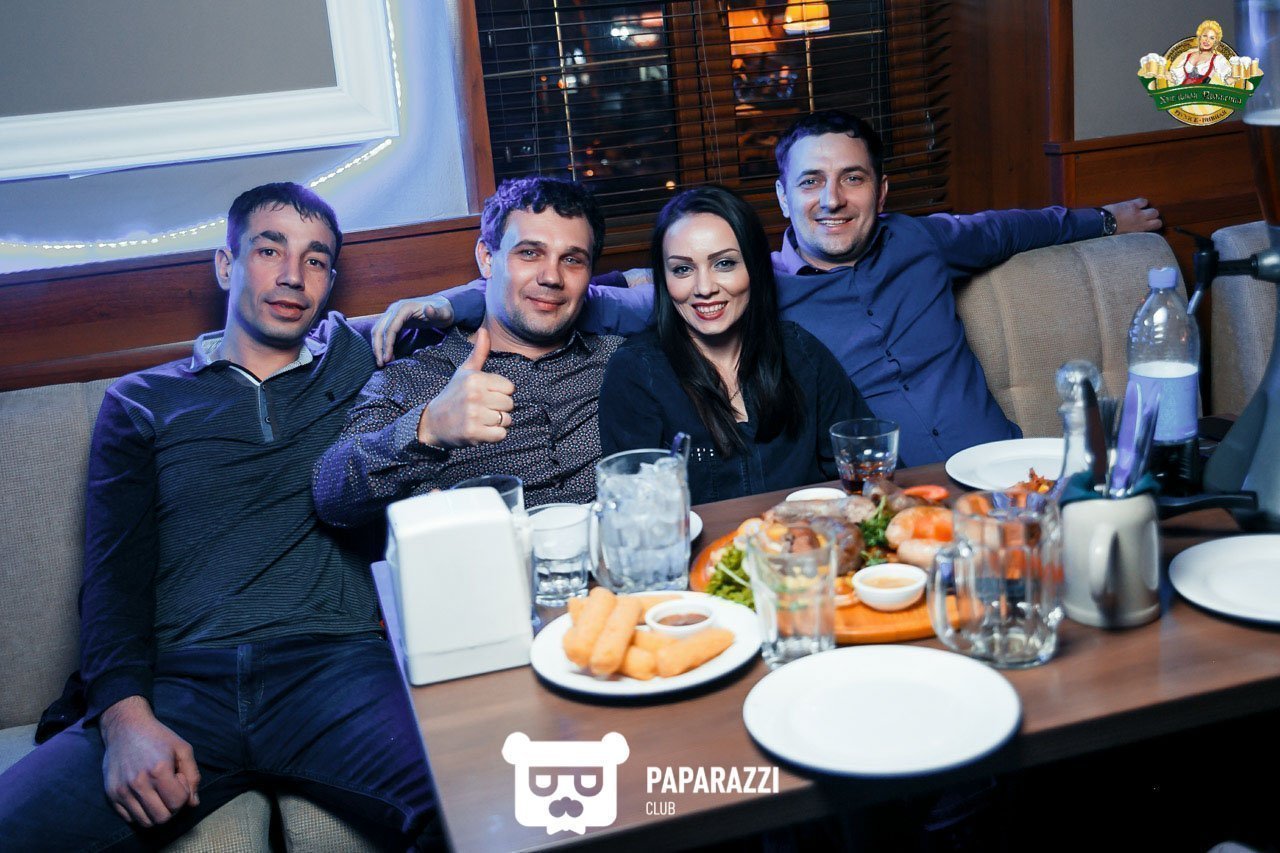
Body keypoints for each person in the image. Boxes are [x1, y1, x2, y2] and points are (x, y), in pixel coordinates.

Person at [0, 183, 439, 850]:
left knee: (493, 795)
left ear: (330, 283)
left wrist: (452, 303)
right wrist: (124, 719)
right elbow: (112, 582)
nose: (293, 275)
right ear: (226, 265)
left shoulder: (360, 366)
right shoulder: (142, 400)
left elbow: (521, 290)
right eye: (270, 250)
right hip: (181, 682)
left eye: (316, 260)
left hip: (334, 668)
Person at [387, 110, 1162, 466]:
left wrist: (1103, 218)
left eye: (853, 179)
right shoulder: (748, 293)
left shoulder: (923, 240)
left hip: (1011, 470)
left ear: (881, 190)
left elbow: (1009, 228)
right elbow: (583, 293)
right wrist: (453, 301)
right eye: (812, 182)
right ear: (785, 199)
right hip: (894, 496)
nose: (834, 200)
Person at [313, 176, 623, 525]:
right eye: (529, 253)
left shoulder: (621, 362)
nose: (551, 276)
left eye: (572, 260)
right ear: (487, 258)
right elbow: (332, 495)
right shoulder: (412, 379)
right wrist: (426, 429)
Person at [598, 185, 869, 503]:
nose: (704, 288)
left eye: (724, 263)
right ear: (664, 280)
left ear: (754, 267)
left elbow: (866, 473)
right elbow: (635, 513)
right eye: (682, 269)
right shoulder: (636, 373)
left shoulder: (800, 352)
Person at [1167, 19, 1232, 86]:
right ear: (1200, 37)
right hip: (1183, 92)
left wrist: (1237, 73)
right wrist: (1163, 71)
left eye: (1212, 38)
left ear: (1215, 42)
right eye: (1205, 36)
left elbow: (1228, 80)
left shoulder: (1217, 59)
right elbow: (1175, 79)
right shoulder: (1188, 56)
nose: (1207, 40)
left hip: (1200, 92)